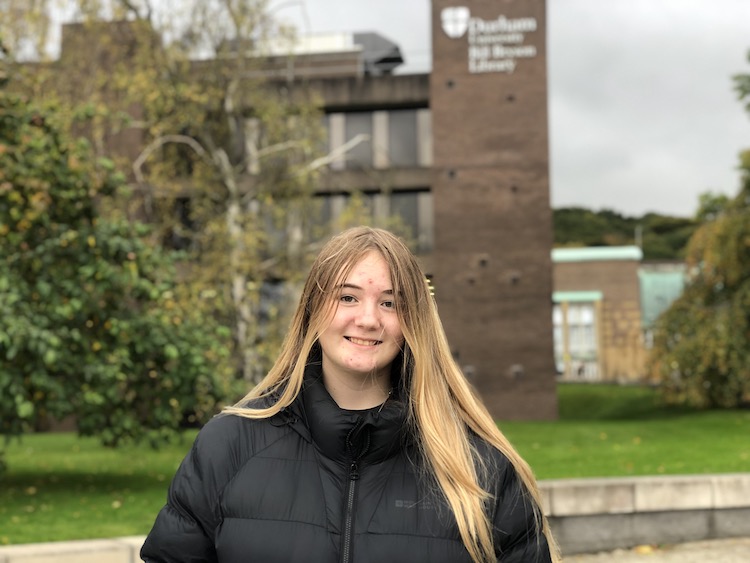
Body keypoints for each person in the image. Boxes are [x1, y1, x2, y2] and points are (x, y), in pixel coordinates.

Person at [141, 226, 560, 563]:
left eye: (390, 303)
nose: (368, 319)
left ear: (413, 322)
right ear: (312, 309)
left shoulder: (480, 467)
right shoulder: (228, 445)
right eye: (347, 297)